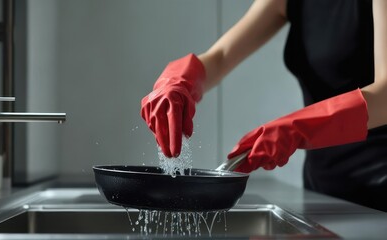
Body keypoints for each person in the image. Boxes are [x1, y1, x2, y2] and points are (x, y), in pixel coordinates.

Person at [140, 0, 387, 212]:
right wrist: (178, 81)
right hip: (323, 191)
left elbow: (385, 94)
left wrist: (297, 127)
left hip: (380, 186)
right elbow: (221, 56)